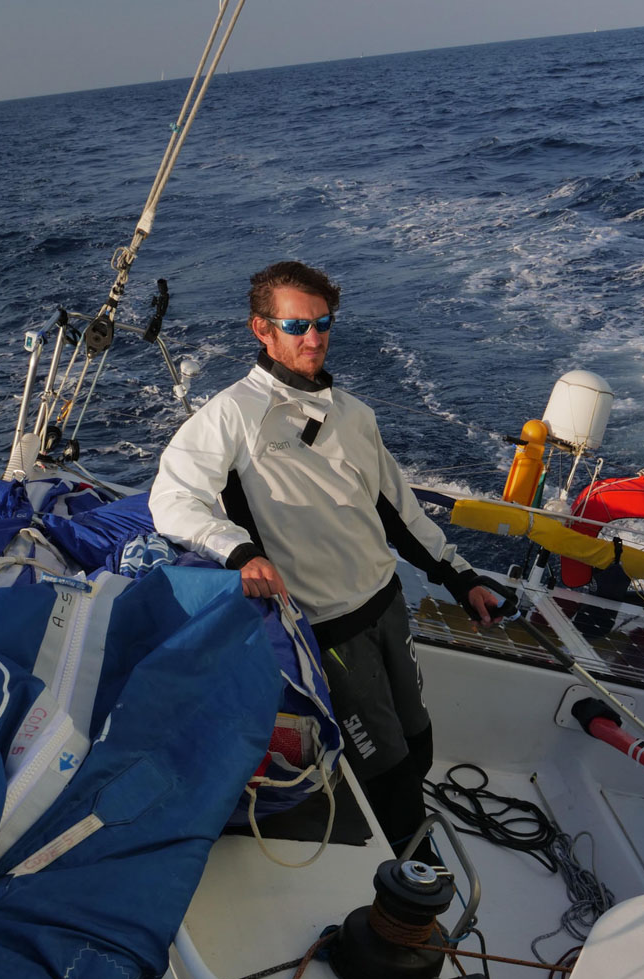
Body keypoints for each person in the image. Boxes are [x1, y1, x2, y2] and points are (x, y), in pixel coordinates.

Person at [150, 260, 505, 856]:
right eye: (296, 325)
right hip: (326, 626)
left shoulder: (353, 415)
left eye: (322, 323)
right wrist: (239, 553)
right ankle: (415, 872)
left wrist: (461, 578)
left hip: (387, 604)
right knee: (384, 762)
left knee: (417, 736)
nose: (313, 338)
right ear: (262, 329)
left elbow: (400, 513)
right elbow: (172, 500)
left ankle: (410, 826)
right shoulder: (233, 415)